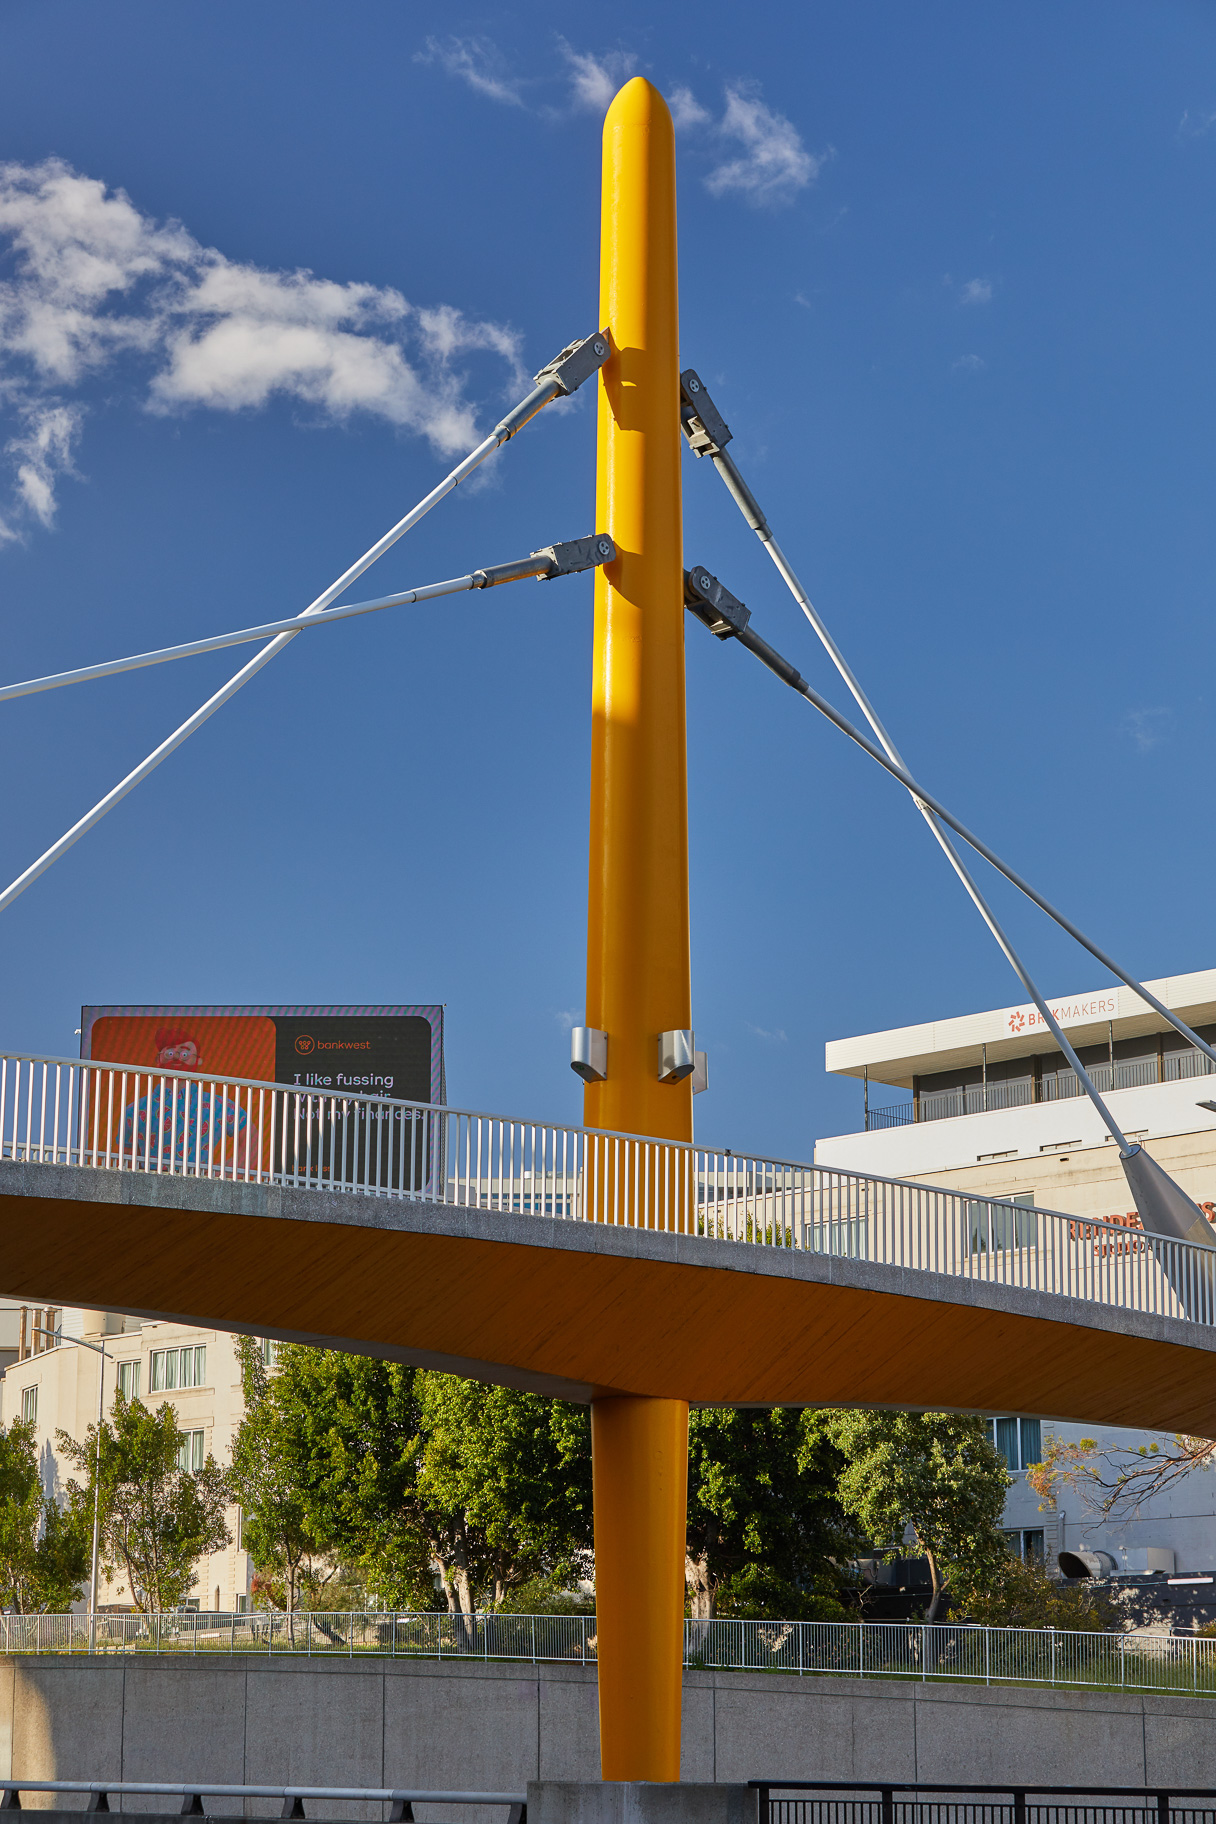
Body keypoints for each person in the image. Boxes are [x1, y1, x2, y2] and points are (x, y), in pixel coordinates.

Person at [123, 1028, 248, 1171]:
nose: (176, 1057)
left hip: (197, 1183)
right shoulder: (136, 1109)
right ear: (158, 1060)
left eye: (185, 1053)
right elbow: (129, 1157)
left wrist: (221, 1175)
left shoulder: (219, 1105)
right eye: (169, 1052)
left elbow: (252, 1142)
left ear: (198, 1060)